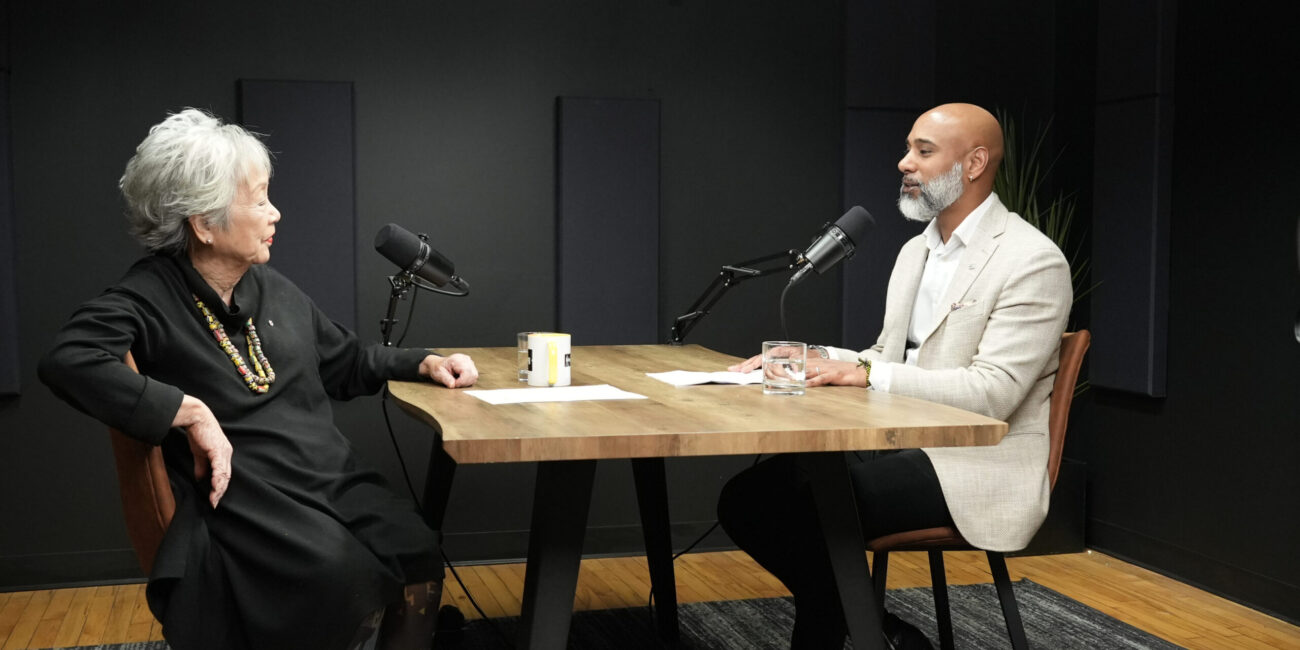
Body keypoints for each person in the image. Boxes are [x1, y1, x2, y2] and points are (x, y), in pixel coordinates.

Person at [39, 108, 478, 650]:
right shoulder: (145, 297)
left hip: (326, 478)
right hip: (248, 497)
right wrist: (189, 411)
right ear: (203, 222)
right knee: (339, 575)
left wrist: (423, 362)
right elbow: (68, 359)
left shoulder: (271, 287)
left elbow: (345, 363)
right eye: (259, 198)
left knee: (417, 547)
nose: (276, 213)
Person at [717, 103, 1072, 649]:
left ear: (974, 162)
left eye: (923, 151)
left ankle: (853, 627)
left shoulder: (1032, 261)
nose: (904, 162)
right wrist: (814, 357)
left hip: (976, 465)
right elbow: (888, 354)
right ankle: (879, 629)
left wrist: (862, 371)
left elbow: (993, 393)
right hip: (903, 443)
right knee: (750, 495)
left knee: (807, 502)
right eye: (908, 148)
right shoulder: (915, 251)